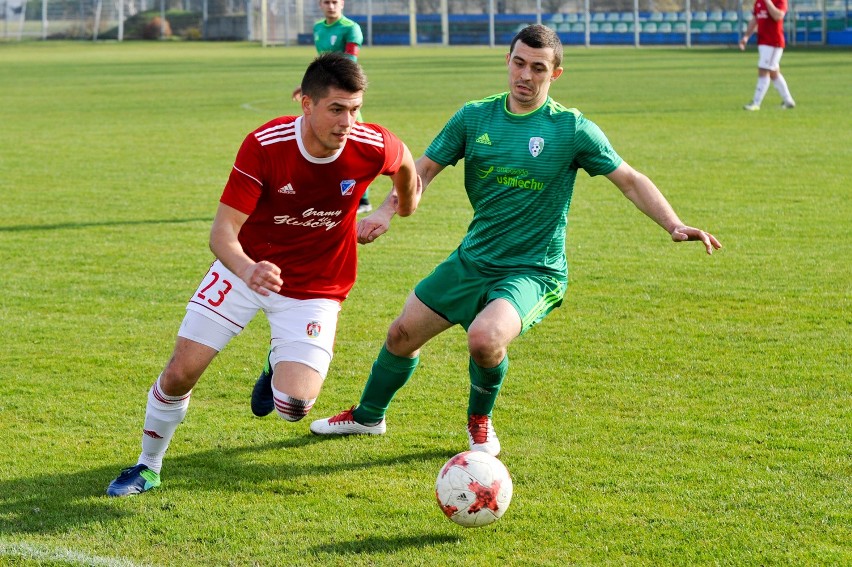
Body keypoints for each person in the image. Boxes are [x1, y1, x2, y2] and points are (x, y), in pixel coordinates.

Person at [308, 24, 722, 457]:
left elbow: (630, 180)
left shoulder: (571, 128)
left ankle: (479, 423)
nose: (525, 76)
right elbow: (424, 169)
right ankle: (368, 417)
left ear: (555, 74)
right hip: (475, 258)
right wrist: (387, 211)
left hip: (533, 270)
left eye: (538, 68)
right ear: (507, 62)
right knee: (401, 335)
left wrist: (673, 223)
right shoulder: (473, 117)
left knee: (485, 340)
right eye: (519, 63)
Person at [106, 53, 421, 496]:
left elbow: (406, 164)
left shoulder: (371, 145)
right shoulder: (266, 145)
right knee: (180, 372)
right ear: (305, 102)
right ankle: (147, 465)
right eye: (336, 109)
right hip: (244, 268)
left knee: (294, 406)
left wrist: (396, 209)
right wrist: (248, 269)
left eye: (355, 109)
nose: (347, 121)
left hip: (315, 287)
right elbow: (221, 234)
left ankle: (277, 363)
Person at [292, 0, 372, 213]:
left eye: (335, 1)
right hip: (325, 96)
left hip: (344, 95)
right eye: (326, 2)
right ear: (320, 4)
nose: (331, 6)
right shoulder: (318, 28)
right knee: (318, 142)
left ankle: (363, 199)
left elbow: (350, 63)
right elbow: (320, 65)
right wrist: (308, 85)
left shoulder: (351, 29)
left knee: (354, 145)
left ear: (342, 3)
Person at [739, 0, 796, 111]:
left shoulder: (780, 1)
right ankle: (788, 100)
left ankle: (756, 103)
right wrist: (746, 37)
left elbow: (778, 16)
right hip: (763, 41)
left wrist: (768, 2)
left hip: (774, 42)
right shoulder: (758, 2)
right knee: (774, 73)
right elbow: (755, 20)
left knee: (763, 70)